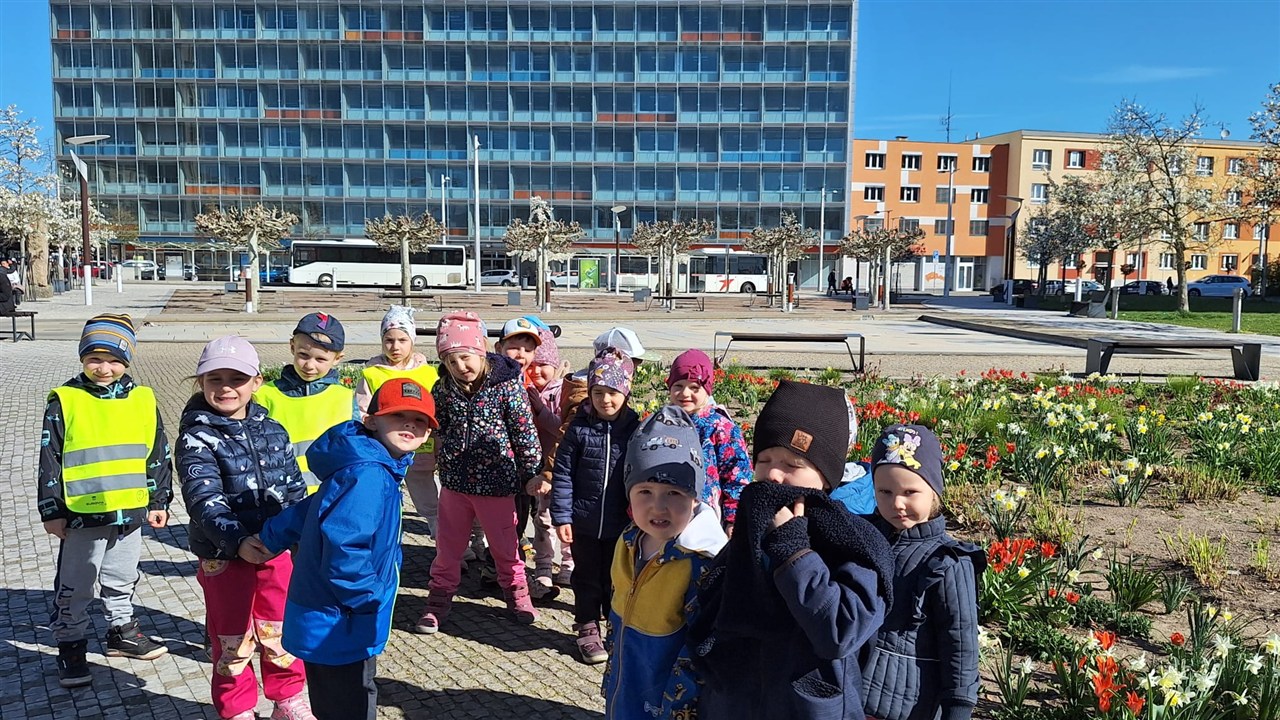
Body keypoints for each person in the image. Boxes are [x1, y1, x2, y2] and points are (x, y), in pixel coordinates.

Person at [690, 380, 894, 720]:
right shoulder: (753, 529)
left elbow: (839, 632)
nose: (773, 474)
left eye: (792, 464)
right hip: (735, 703)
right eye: (764, 459)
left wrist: (794, 551)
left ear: (826, 478)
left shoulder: (853, 543)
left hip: (807, 707)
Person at [259, 378, 436, 720]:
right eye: (398, 415)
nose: (410, 425)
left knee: (344, 695)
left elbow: (315, 507)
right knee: (350, 701)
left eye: (420, 420)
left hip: (331, 614)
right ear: (370, 420)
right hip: (340, 617)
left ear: (428, 433)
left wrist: (272, 535)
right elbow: (345, 546)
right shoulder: (370, 474)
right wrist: (368, 597)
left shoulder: (367, 464)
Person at [177, 335, 314, 720]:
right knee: (232, 638)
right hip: (224, 554)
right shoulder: (196, 435)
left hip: (276, 549)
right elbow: (203, 497)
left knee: (280, 628)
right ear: (201, 382)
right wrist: (236, 540)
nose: (225, 388)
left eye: (236, 379)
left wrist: (300, 534)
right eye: (214, 379)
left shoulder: (274, 429)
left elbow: (293, 487)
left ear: (257, 382)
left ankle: (288, 698)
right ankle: (236, 708)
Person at [39, 314, 173, 688]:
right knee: (77, 583)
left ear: (127, 360)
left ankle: (121, 631)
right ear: (82, 357)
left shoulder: (143, 398)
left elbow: (157, 451)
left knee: (122, 576)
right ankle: (71, 645)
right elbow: (50, 456)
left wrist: (159, 499)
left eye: (114, 360)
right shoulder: (66, 399)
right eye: (95, 359)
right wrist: (51, 509)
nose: (104, 368)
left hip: (129, 510)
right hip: (82, 514)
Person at [415, 311, 543, 632]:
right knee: (448, 548)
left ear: (482, 350)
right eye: (451, 360)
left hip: (496, 483)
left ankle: (517, 595)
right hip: (455, 483)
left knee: (505, 548)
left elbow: (524, 431)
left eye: (466, 357)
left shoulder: (506, 386)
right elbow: (436, 424)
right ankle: (438, 600)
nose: (460, 366)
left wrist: (532, 472)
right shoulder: (444, 388)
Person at [603, 406, 727, 719]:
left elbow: (701, 650)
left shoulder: (701, 563)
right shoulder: (628, 540)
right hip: (624, 685)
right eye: (645, 491)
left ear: (695, 498)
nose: (658, 507)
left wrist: (677, 709)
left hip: (668, 703)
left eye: (673, 492)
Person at [862, 425, 984, 720]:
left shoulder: (947, 562)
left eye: (910, 492)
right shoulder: (862, 537)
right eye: (885, 492)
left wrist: (958, 707)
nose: (897, 503)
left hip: (909, 706)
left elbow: (960, 643)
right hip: (851, 695)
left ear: (934, 492)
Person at [551, 348, 641, 664]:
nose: (605, 400)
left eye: (613, 392)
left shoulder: (636, 430)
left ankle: (615, 626)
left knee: (617, 579)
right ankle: (587, 626)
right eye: (598, 392)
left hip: (621, 524)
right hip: (584, 522)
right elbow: (563, 473)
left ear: (626, 392)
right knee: (587, 577)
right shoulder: (579, 429)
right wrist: (562, 516)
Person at [353, 306, 441, 537]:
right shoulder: (372, 374)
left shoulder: (427, 374)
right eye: (389, 340)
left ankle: (443, 540)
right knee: (384, 490)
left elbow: (436, 410)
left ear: (412, 341)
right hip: (383, 447)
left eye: (402, 340)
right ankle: (385, 534)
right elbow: (362, 409)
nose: (395, 347)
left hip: (420, 446)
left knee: (426, 494)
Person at [255, 312, 355, 495]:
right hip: (280, 496)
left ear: (338, 359)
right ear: (292, 346)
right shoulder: (264, 395)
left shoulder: (347, 399)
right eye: (303, 355)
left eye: (320, 359)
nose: (309, 365)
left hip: (331, 495)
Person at [667, 349, 753, 531]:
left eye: (694, 388)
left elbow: (737, 475)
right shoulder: (661, 423)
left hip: (706, 517)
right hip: (665, 512)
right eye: (678, 385)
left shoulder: (721, 427)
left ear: (707, 390)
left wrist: (733, 519)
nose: (685, 393)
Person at [523, 327, 572, 600]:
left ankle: (568, 564)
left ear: (554, 364)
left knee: (564, 516)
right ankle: (543, 565)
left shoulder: (562, 392)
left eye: (543, 365)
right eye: (532, 366)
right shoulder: (525, 389)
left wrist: (540, 410)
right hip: (535, 467)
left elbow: (561, 430)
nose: (537, 371)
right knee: (542, 519)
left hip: (558, 468)